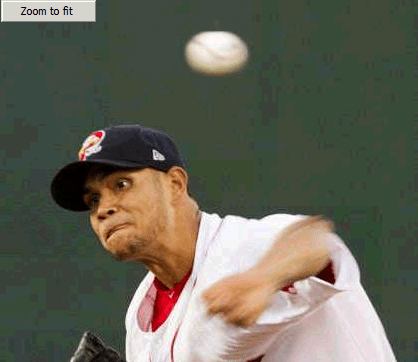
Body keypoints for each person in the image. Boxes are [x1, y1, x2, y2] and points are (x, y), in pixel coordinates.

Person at [51, 124, 397, 362]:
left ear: (174, 184)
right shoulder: (142, 315)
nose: (104, 209)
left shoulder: (240, 247)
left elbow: (316, 241)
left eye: (122, 184)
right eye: (92, 200)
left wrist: (263, 278)